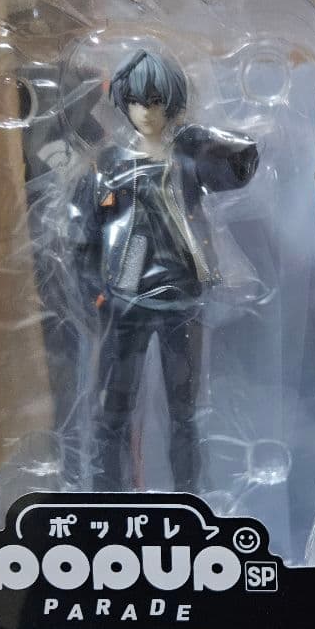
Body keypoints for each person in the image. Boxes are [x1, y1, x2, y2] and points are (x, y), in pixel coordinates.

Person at [73, 49, 259, 492]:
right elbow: (84, 235)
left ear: (171, 103)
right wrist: (94, 291)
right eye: (137, 101)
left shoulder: (187, 158)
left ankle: (189, 497)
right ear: (124, 103)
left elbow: (239, 168)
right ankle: (107, 498)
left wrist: (203, 138)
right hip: (124, 301)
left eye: (156, 101)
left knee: (185, 414)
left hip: (181, 300)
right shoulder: (109, 165)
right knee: (113, 411)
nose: (146, 112)